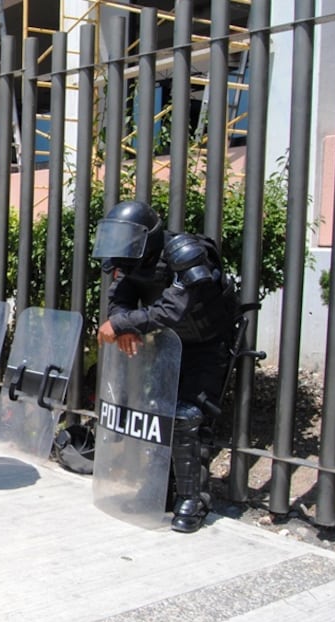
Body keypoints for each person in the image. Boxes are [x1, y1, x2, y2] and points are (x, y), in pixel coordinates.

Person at [92, 200, 238, 534]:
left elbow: (176, 308)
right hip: (168, 346)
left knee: (187, 417)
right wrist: (121, 322)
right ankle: (160, 490)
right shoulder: (131, 260)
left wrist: (127, 322)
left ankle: (193, 500)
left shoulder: (184, 251)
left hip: (206, 346)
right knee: (156, 412)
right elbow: (120, 296)